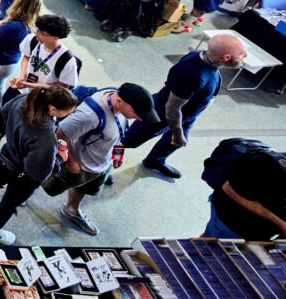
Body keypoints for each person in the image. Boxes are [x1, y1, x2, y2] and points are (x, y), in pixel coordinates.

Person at [123, 35, 248, 180]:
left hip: (186, 115)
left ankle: (154, 161)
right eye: (242, 55)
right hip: (161, 115)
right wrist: (177, 133)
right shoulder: (194, 76)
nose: (244, 57)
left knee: (173, 144)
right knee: (126, 141)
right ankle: (103, 164)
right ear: (226, 57)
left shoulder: (201, 56)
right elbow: (172, 109)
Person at [43, 83, 159, 236]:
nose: (139, 118)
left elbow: (120, 131)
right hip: (81, 163)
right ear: (120, 102)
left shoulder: (116, 97)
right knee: (49, 185)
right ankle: (21, 191)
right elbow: (61, 133)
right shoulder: (89, 115)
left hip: (102, 163)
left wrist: (117, 154)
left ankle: (72, 210)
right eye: (136, 113)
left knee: (85, 188)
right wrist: (71, 162)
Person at [0, 87, 79, 245]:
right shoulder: (46, 137)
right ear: (52, 109)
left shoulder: (25, 100)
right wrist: (59, 158)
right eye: (67, 112)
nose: (70, 115)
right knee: (9, 203)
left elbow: (3, 114)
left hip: (8, 153)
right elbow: (38, 173)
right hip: (23, 174)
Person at [0, 13, 79, 154]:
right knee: (2, 114)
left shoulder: (67, 60)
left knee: (27, 128)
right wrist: (22, 76)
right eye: (38, 29)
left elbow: (61, 88)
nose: (36, 33)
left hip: (43, 100)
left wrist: (30, 85)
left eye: (42, 32)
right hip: (21, 89)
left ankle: (17, 155)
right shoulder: (34, 40)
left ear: (55, 37)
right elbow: (26, 57)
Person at [203, 141, 286, 240]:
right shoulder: (264, 164)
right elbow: (229, 188)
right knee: (211, 247)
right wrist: (281, 224)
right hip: (233, 220)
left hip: (263, 229)